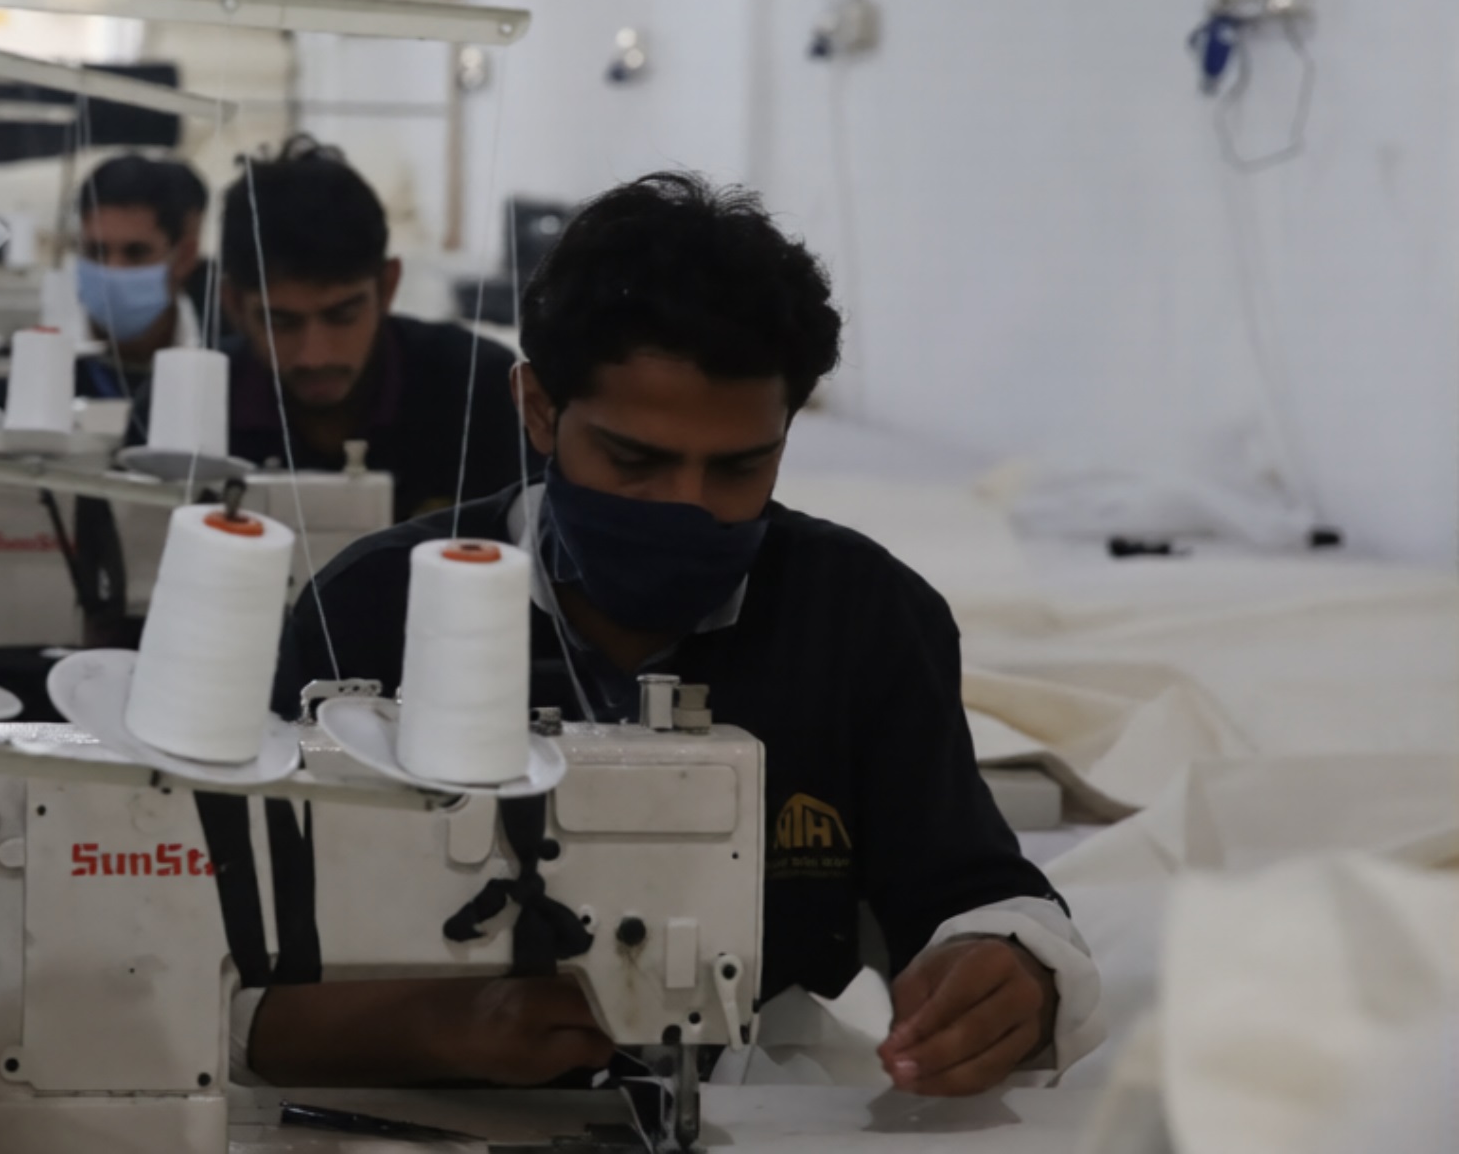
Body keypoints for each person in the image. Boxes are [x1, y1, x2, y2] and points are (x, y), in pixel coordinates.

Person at [251, 172, 1101, 1097]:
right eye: (635, 460)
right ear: (538, 408)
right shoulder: (373, 611)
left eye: (739, 467)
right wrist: (437, 1027)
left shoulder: (863, 617)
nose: (687, 506)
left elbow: (970, 888)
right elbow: (236, 979)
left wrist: (1012, 971)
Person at [149, 137, 522, 521]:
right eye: (281, 322)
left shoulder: (478, 389)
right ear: (233, 304)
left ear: (387, 287)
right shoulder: (183, 407)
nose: (315, 355)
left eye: (342, 316)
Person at [72, 153, 211, 397]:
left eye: (135, 252)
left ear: (184, 257)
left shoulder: (223, 360)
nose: (112, 269)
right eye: (97, 251)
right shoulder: (27, 365)